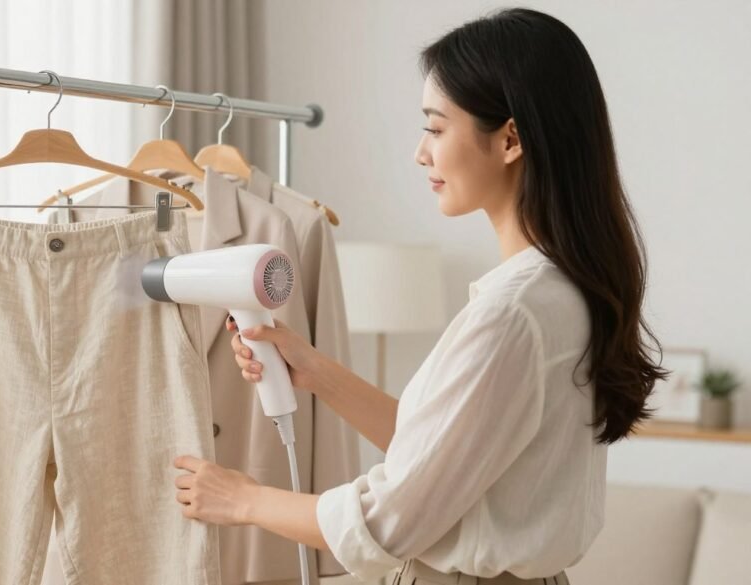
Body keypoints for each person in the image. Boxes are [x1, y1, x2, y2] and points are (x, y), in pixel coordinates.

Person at [172, 7, 668, 584]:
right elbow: (440, 459)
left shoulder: (513, 313)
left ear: (510, 139)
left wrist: (243, 500)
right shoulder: (561, 291)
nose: (420, 152)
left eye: (435, 128)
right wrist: (316, 372)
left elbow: (389, 522)